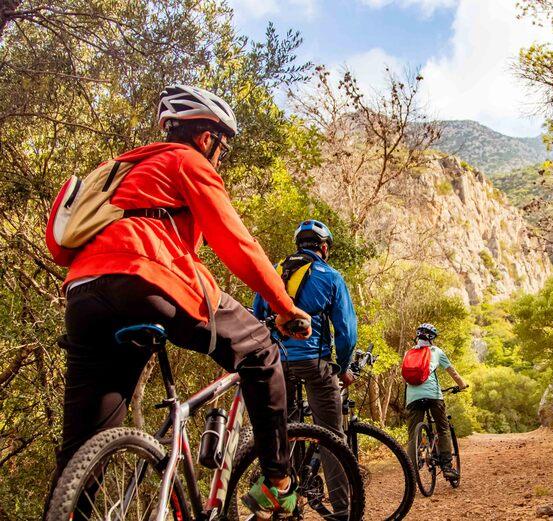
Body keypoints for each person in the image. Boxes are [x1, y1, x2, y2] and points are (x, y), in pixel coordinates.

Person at [46, 85, 310, 518]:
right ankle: (279, 482)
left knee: (83, 444)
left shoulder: (120, 169)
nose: (219, 156)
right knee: (261, 351)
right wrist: (283, 307)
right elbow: (236, 242)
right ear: (207, 138)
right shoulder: (186, 160)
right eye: (221, 146)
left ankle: (69, 508)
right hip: (148, 276)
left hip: (83, 292)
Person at [252, 219, 357, 513]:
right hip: (315, 363)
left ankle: (289, 504)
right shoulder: (331, 276)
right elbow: (346, 331)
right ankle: (342, 510)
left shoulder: (275, 271)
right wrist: (343, 366)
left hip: (278, 362)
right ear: (324, 248)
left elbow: (258, 314)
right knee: (331, 435)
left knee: (286, 432)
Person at [405, 323, 467, 480]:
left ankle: (412, 468)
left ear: (417, 336)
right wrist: (462, 385)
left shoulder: (408, 353)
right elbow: (452, 372)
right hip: (433, 395)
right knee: (443, 427)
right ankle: (447, 466)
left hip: (412, 398)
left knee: (413, 434)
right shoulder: (437, 351)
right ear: (432, 338)